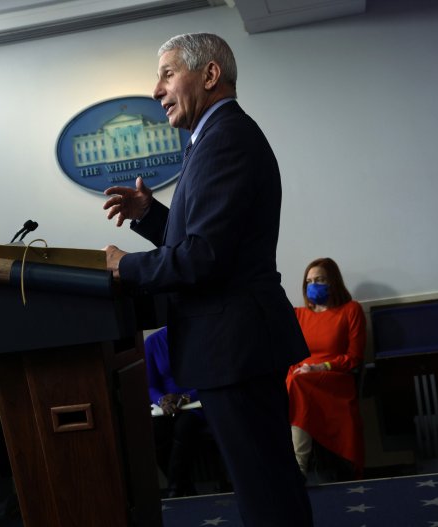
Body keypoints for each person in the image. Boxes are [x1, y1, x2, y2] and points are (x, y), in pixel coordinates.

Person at [102, 33, 313, 527]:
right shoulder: (213, 139)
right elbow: (205, 241)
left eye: (167, 74)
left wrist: (122, 267)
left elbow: (204, 259)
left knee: (267, 489)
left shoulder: (227, 138)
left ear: (210, 75)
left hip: (235, 346)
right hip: (232, 345)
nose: (156, 89)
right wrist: (151, 214)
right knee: (267, 484)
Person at [287, 257, 366, 480]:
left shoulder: (351, 310)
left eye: (320, 279)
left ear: (333, 282)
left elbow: (354, 357)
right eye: (309, 281)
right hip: (301, 379)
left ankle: (298, 467)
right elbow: (292, 357)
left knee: (297, 382)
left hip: (334, 379)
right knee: (292, 381)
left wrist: (321, 366)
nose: (313, 285)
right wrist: (300, 370)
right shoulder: (299, 315)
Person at [145, 327, 206, 498]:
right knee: (155, 432)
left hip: (197, 402)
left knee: (184, 427)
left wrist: (186, 397)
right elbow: (150, 385)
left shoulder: (201, 335)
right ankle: (185, 487)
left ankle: (176, 490)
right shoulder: (153, 341)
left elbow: (211, 378)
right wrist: (162, 400)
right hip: (166, 405)